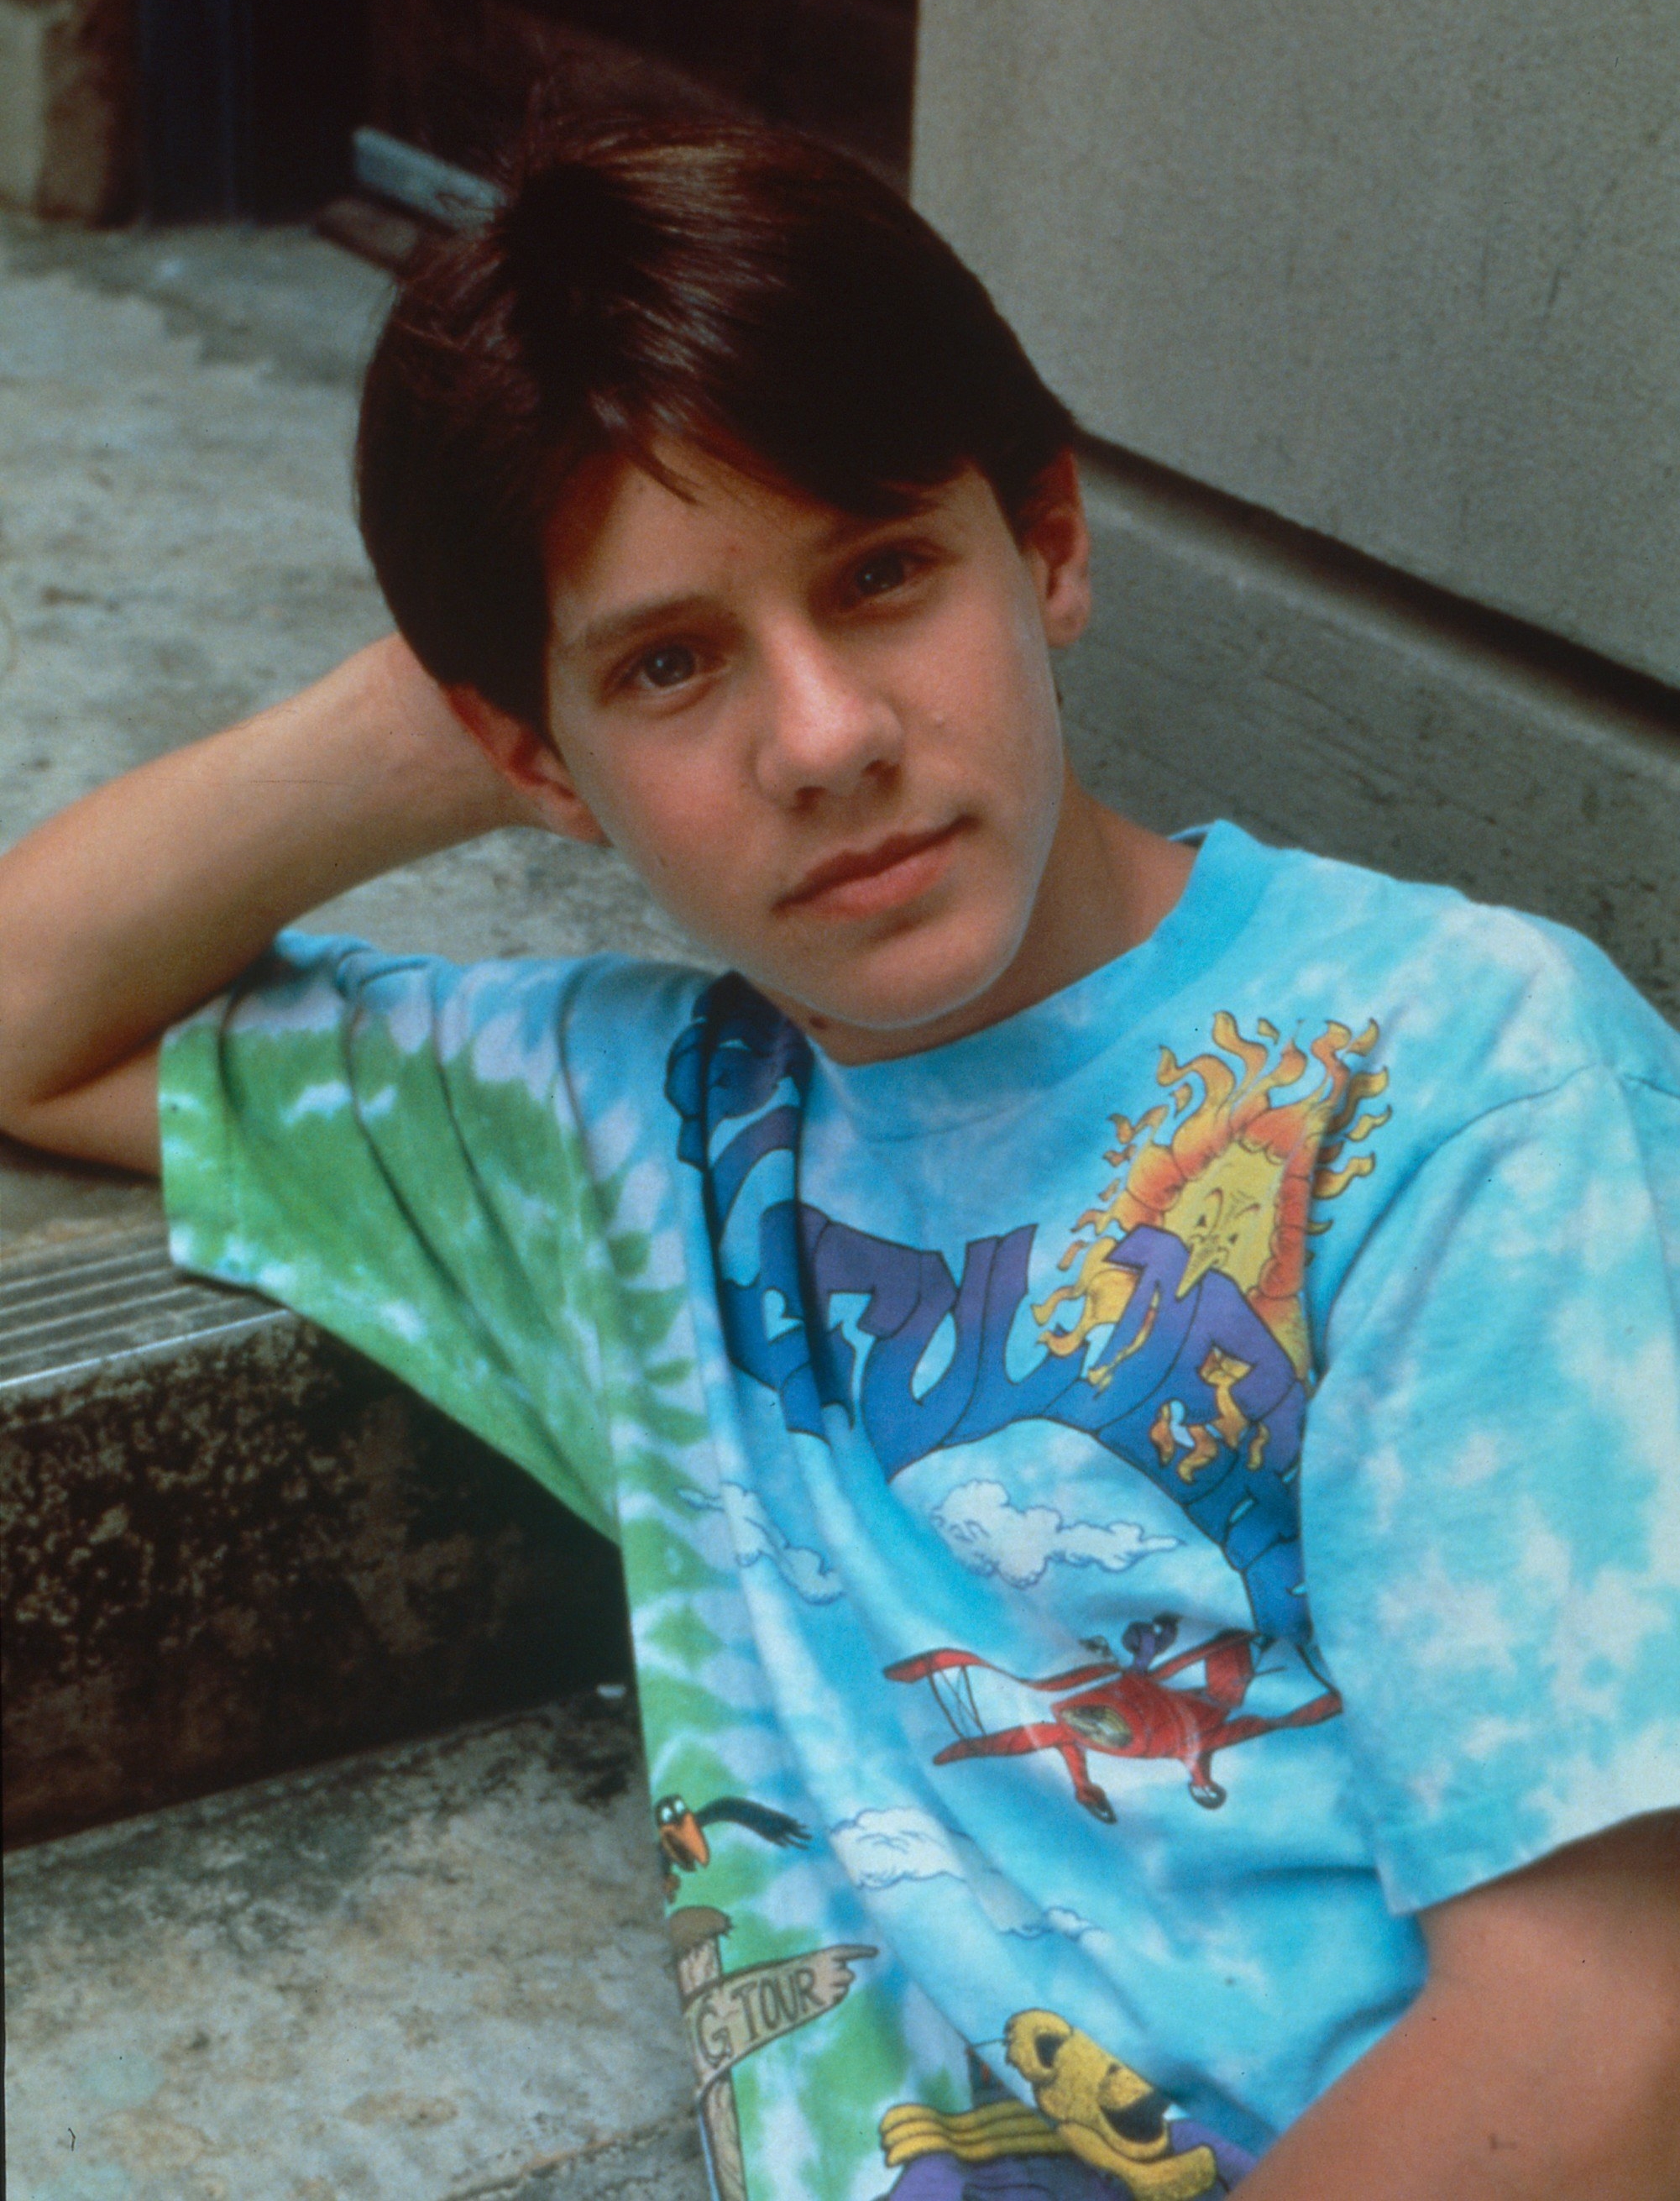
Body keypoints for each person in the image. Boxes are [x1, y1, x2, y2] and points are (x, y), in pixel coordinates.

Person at [1, 116, 1677, 2201]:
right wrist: (479, 671)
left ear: (1045, 547)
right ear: (532, 754)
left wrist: (617, 644)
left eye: (879, 570)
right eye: (670, 665)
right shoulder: (638, 1140)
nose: (821, 739)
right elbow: (27, 1004)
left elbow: (1611, 2026)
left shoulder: (1453, 1084)